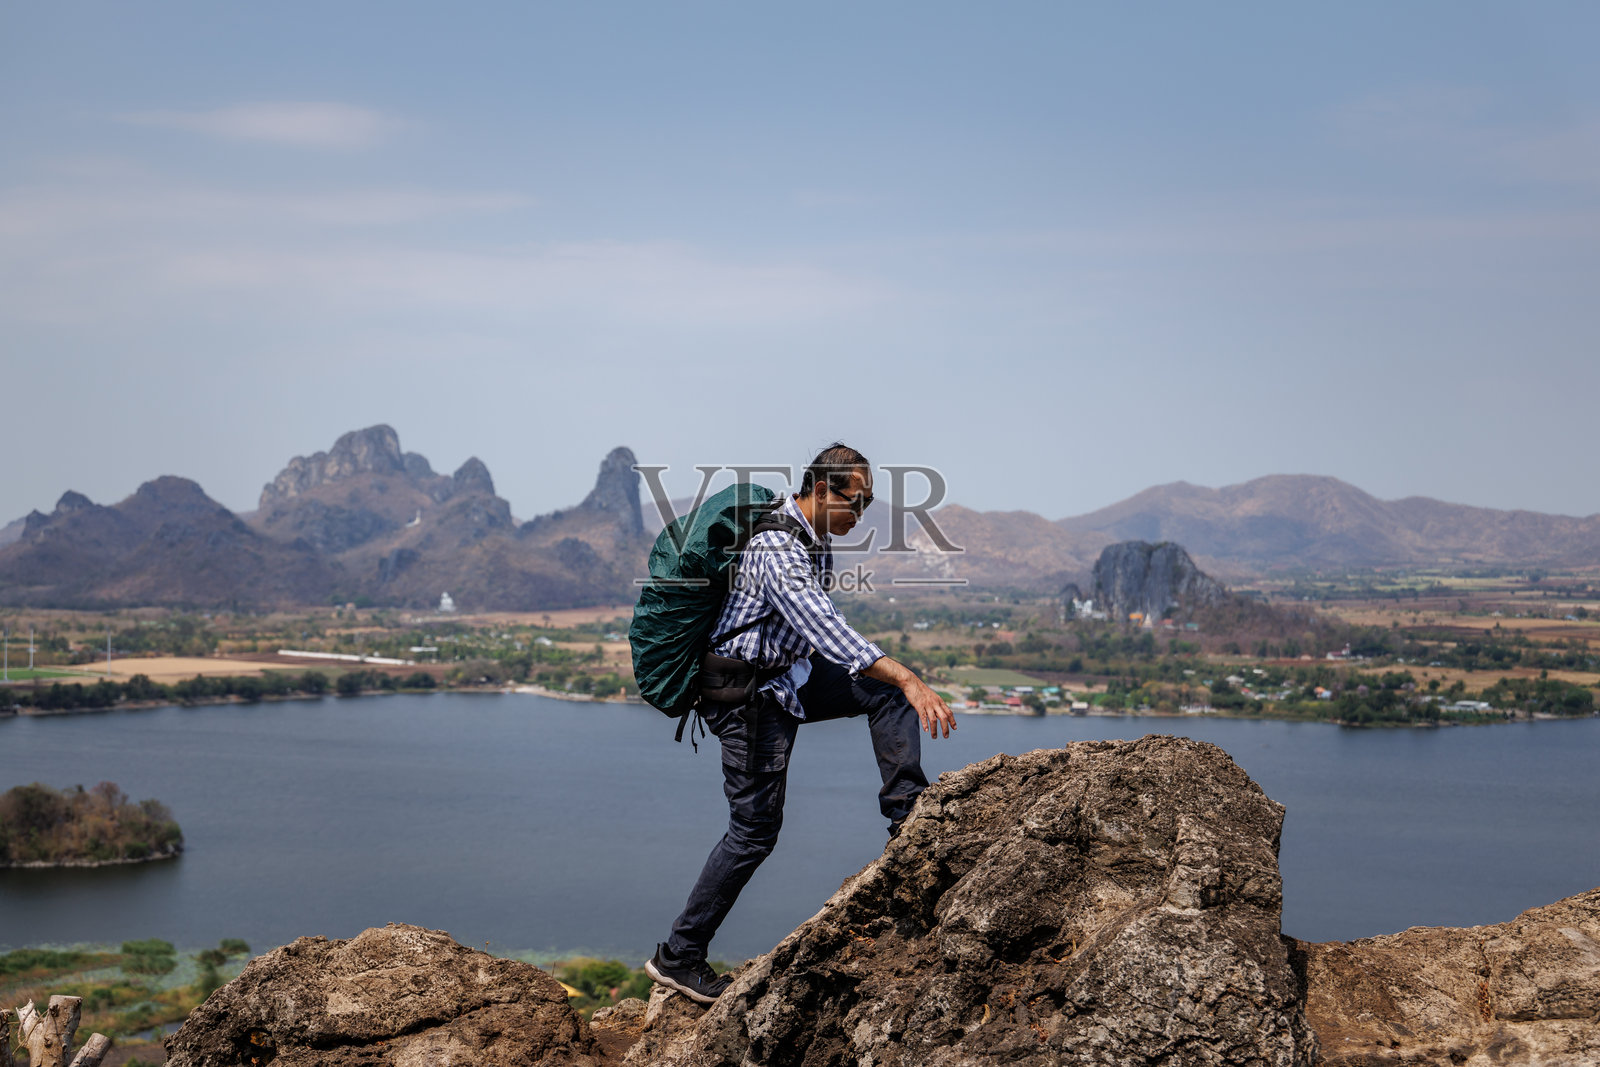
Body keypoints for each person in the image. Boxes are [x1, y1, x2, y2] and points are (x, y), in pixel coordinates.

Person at [644, 443, 958, 1003]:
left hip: (787, 675)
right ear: (819, 490)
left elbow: (816, 637)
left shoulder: (813, 541)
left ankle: (908, 817)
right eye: (853, 502)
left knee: (885, 696)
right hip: (749, 695)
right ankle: (678, 955)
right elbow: (825, 628)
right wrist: (907, 674)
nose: (859, 516)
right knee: (754, 830)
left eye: (866, 505)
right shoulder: (777, 548)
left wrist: (896, 681)